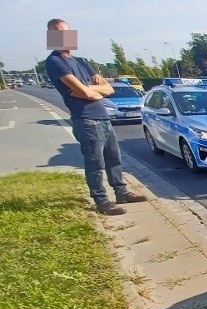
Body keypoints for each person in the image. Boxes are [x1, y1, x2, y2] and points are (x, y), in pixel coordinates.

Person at [44, 18, 146, 215]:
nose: (63, 35)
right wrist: (93, 90)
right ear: (51, 36)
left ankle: (121, 192)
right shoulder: (55, 62)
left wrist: (89, 89)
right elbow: (88, 93)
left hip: (103, 117)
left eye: (66, 31)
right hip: (86, 119)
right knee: (95, 163)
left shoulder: (80, 61)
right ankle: (101, 201)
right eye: (57, 32)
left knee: (114, 158)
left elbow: (107, 89)